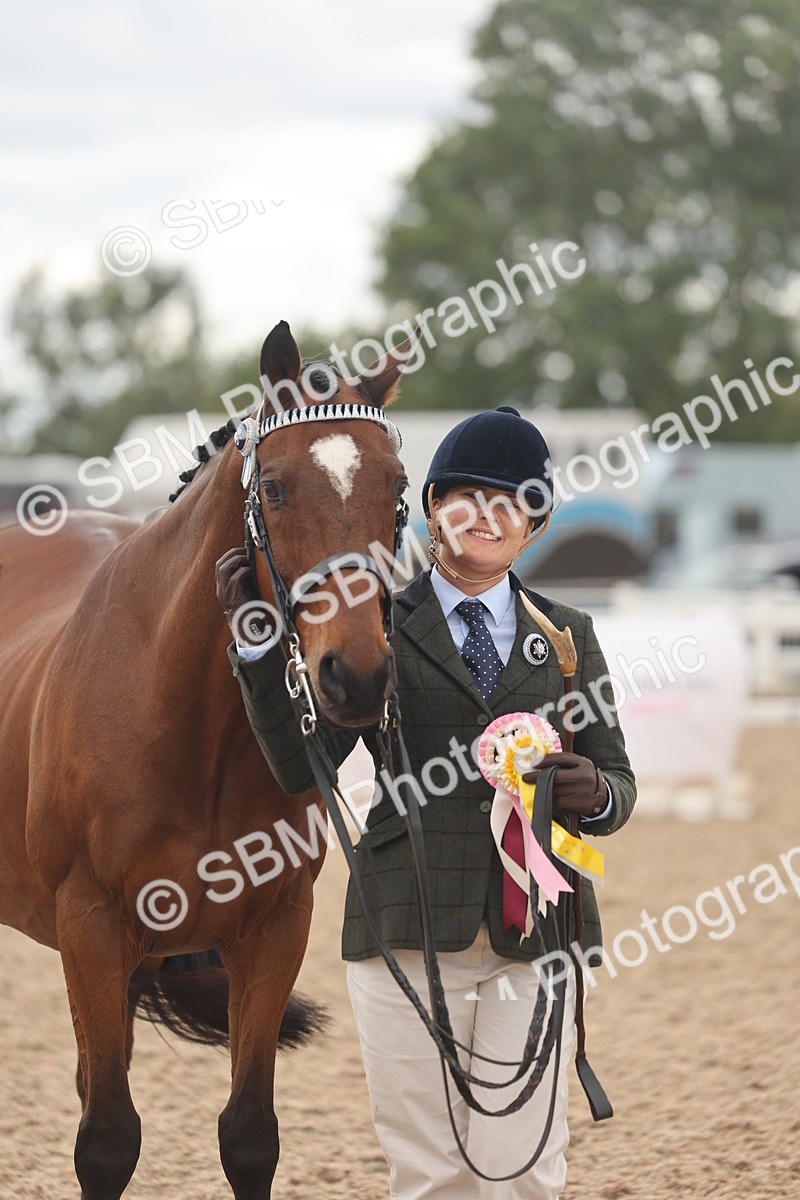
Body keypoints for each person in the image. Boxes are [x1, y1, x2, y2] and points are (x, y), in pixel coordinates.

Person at [216, 404, 636, 1200]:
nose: (488, 516)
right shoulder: (377, 628)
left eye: (512, 503)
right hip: (403, 926)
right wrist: (256, 651)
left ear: (534, 526)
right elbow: (301, 767)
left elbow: (618, 783)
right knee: (429, 1169)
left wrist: (598, 793)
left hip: (536, 927)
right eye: (468, 498)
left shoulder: (571, 636)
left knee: (523, 1164)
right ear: (433, 507)